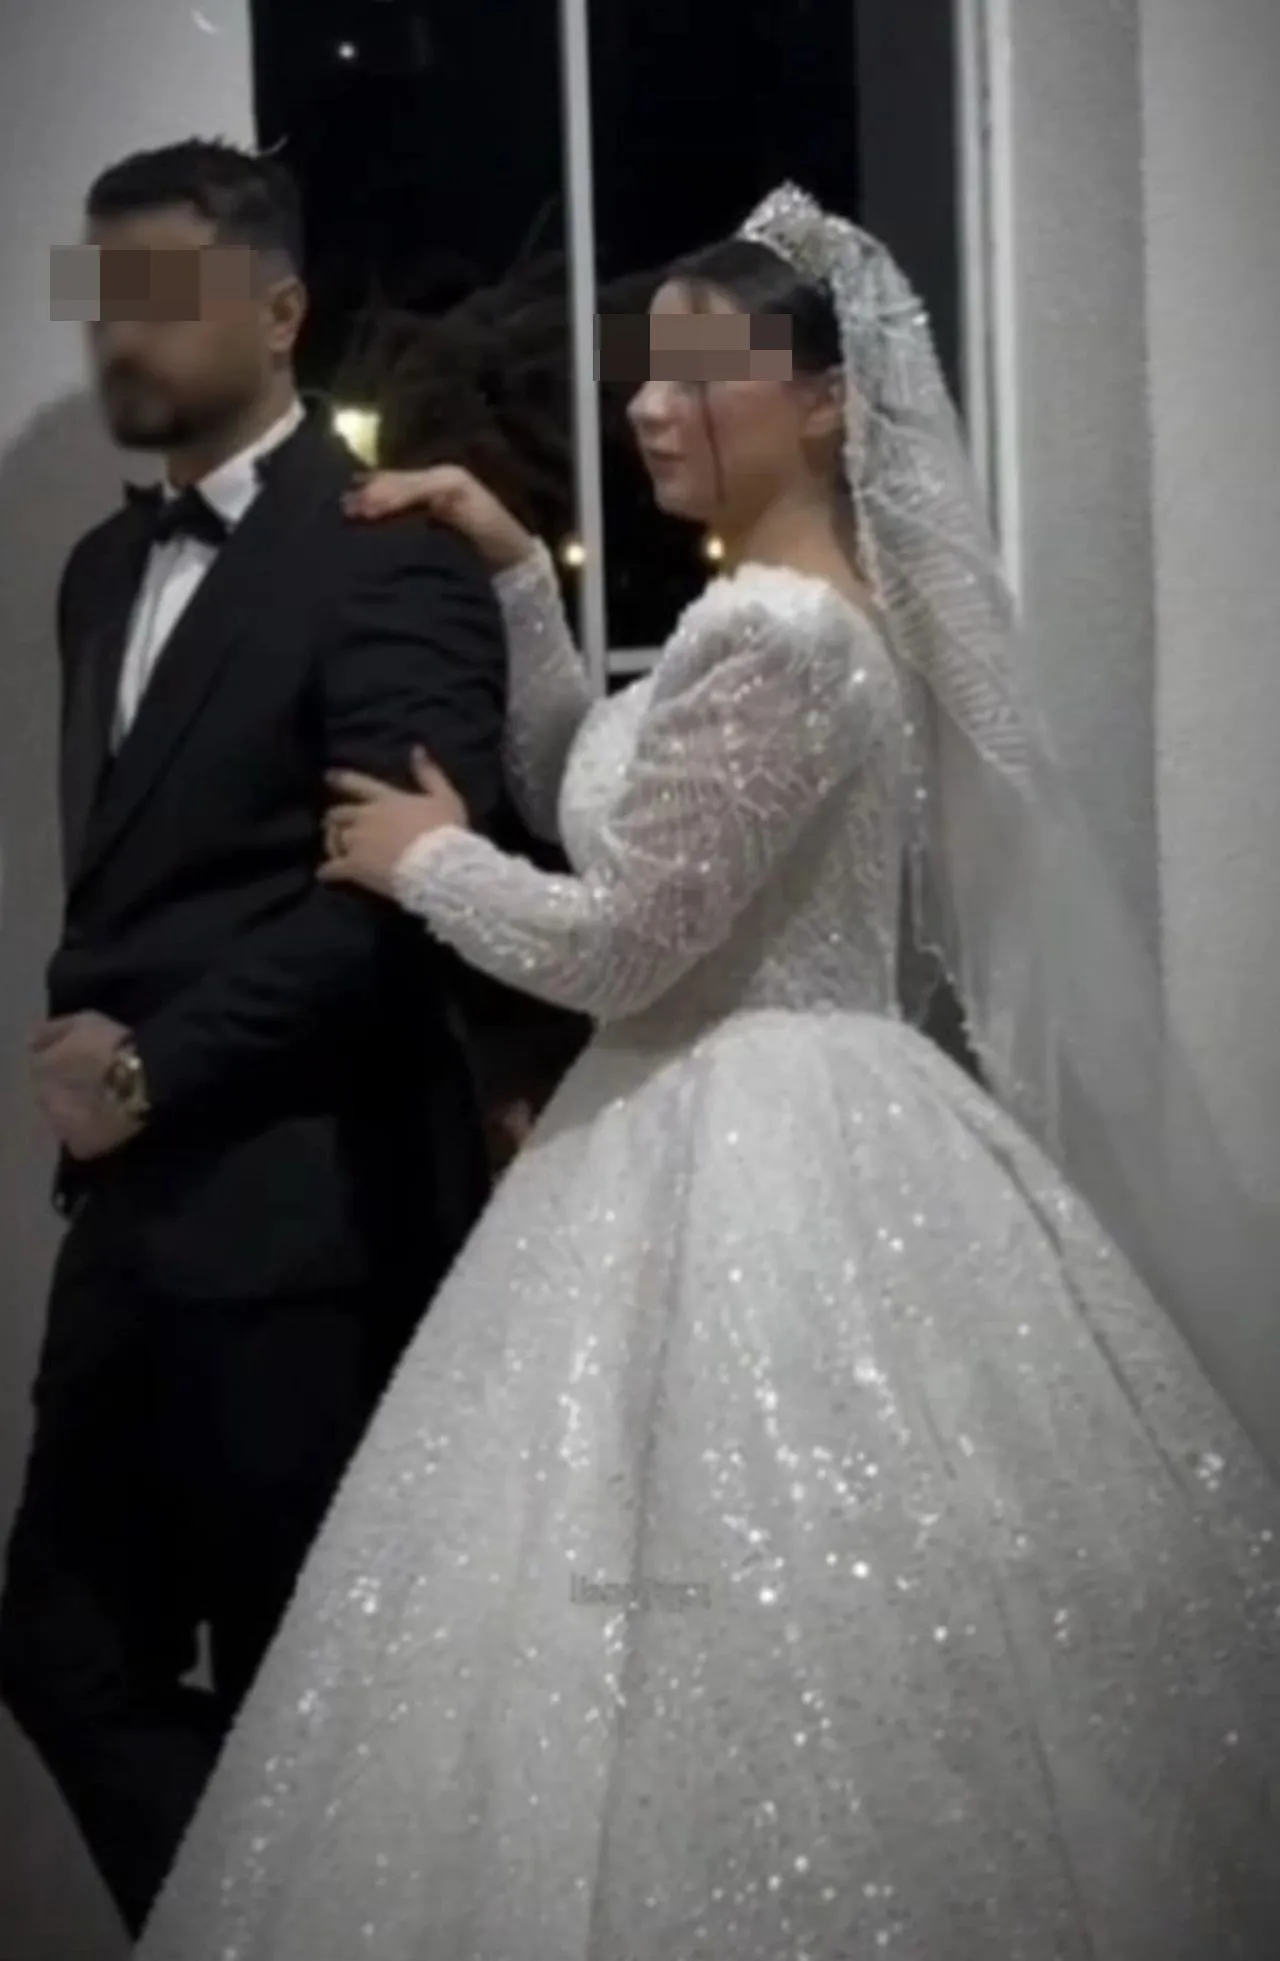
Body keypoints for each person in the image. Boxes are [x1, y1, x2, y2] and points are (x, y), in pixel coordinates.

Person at [137, 188, 1280, 1959]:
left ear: (822, 403)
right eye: (646, 379)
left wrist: (425, 864)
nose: (652, 411)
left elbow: (619, 945)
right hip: (722, 1110)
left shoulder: (784, 638)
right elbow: (597, 793)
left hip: (750, 1136)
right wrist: (519, 576)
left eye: (696, 379)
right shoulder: (768, 619)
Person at [0, 139, 506, 1936]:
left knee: (315, 1703)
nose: (117, 336)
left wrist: (151, 1069)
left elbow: (402, 901)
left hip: (314, 1228)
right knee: (59, 1648)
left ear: (280, 311)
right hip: (128, 1230)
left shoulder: (386, 555)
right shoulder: (92, 573)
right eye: (99, 298)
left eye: (158, 295)